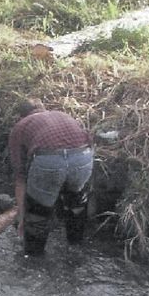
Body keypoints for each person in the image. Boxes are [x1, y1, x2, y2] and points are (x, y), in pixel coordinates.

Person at [8, 98, 93, 254]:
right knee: (76, 204)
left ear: (21, 116)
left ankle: (34, 261)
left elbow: (20, 178)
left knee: (37, 215)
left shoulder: (21, 127)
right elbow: (88, 139)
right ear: (43, 108)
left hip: (48, 161)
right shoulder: (62, 115)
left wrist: (22, 216)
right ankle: (75, 250)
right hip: (83, 157)